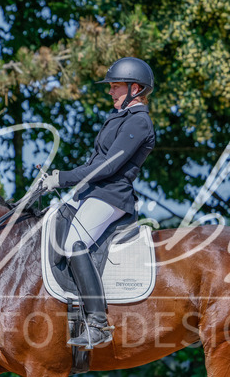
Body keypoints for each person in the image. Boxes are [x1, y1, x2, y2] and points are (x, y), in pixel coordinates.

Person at [40, 57, 156, 349]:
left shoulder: (139, 121)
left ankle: (98, 324)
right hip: (93, 193)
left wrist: (62, 178)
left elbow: (107, 166)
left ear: (135, 89)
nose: (110, 91)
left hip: (111, 195)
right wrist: (57, 179)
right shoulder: (119, 117)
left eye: (116, 86)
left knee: (73, 243)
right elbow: (94, 163)